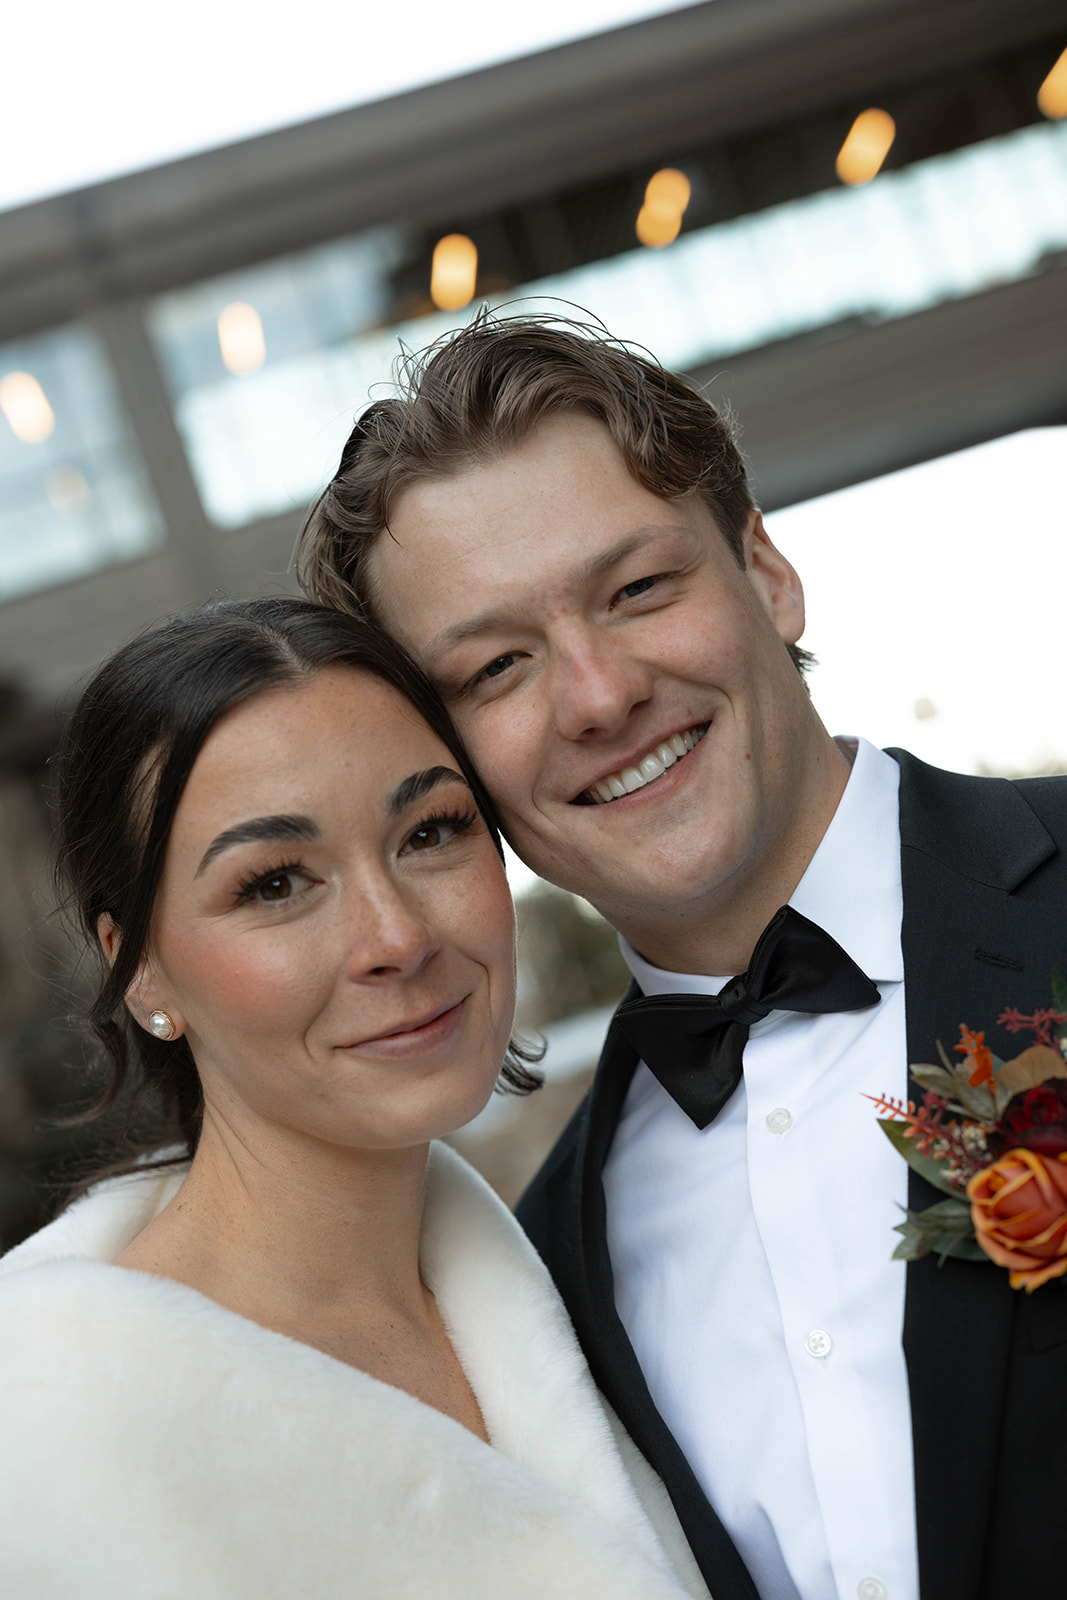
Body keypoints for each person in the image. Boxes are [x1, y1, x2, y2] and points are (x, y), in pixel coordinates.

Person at [297, 314, 1067, 1600]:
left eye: (637, 589)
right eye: (497, 666)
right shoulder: (537, 1279)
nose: (597, 695)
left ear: (765, 572)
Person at [0, 597, 708, 1600]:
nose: (397, 937)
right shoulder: (44, 1435)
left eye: (430, 830)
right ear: (142, 970)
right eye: (275, 883)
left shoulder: (583, 1284)